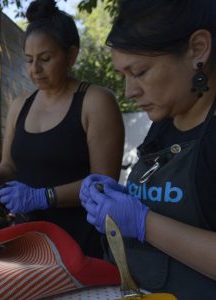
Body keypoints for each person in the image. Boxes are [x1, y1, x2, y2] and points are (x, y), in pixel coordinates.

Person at [0, 0, 124, 258]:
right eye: (29, 60)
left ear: (71, 55)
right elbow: (10, 166)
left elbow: (104, 185)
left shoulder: (95, 102)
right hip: (27, 238)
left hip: (81, 242)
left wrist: (43, 196)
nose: (35, 70)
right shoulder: (20, 105)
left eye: (45, 59)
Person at [79, 0, 216, 297]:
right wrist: (121, 197)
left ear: (198, 49)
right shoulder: (165, 121)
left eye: (139, 72)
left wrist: (144, 223)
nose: (130, 91)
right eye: (123, 76)